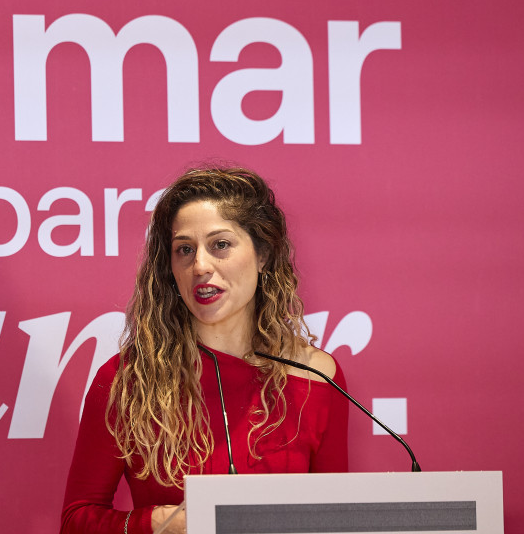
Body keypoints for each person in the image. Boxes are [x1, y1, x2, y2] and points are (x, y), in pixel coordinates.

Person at [60, 166, 349, 534]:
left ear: (263, 255)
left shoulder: (319, 377)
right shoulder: (127, 379)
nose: (199, 265)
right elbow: (76, 521)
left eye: (220, 245)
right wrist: (160, 523)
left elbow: (337, 519)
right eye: (184, 249)